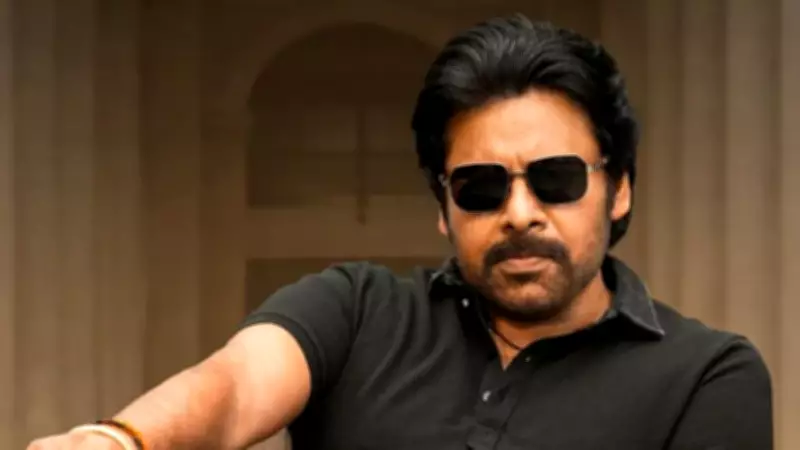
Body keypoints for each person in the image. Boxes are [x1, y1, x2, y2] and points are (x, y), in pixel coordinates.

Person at [29, 14, 772, 450]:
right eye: (481, 187)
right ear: (443, 207)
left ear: (619, 189)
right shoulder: (357, 311)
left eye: (555, 178)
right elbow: (234, 388)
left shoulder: (707, 375)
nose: (520, 212)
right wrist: (118, 440)